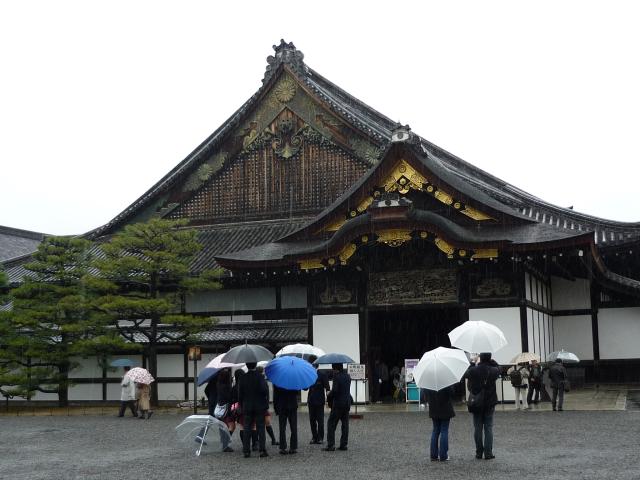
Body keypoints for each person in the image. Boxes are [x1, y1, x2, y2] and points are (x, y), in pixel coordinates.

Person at [463, 352, 500, 460]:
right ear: (489, 359)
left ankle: (479, 452)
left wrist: (472, 363)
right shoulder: (493, 370)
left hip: (477, 402)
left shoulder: (474, 370)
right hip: (489, 402)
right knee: (488, 427)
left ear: (480, 358)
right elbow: (499, 368)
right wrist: (492, 362)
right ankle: (488, 453)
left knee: (477, 428)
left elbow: (465, 374)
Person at [238, 362, 269, 458]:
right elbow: (264, 390)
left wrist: (241, 404)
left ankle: (246, 451)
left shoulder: (243, 377)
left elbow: (240, 393)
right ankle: (262, 450)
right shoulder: (260, 377)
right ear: (255, 365)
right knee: (260, 427)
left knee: (247, 427)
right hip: (259, 406)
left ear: (247, 366)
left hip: (247, 406)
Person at [323, 363, 351, 452]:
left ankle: (331, 445)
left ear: (335, 369)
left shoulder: (337, 377)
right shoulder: (347, 376)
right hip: (346, 403)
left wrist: (329, 394)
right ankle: (344, 444)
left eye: (333, 369)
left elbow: (335, 390)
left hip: (338, 404)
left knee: (331, 423)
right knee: (345, 424)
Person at [426, 386, 455, 461]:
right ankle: (443, 455)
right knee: (444, 431)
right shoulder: (446, 381)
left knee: (435, 431)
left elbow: (425, 394)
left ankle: (433, 455)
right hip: (445, 408)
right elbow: (452, 393)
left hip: (433, 408)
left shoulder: (429, 381)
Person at [273, 384, 299, 454]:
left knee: (282, 428)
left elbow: (275, 395)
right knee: (293, 427)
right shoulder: (293, 380)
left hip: (282, 406)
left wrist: (276, 408)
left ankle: (283, 447)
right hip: (292, 405)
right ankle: (293, 447)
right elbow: (296, 392)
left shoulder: (278, 381)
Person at [307, 364, 330, 444]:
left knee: (320, 420)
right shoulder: (309, 374)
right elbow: (306, 388)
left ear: (315, 366)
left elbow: (327, 387)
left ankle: (320, 437)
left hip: (320, 400)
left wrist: (328, 400)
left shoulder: (322, 374)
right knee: (312, 420)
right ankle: (314, 437)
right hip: (311, 400)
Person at [215, 368, 235, 452]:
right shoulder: (227, 387)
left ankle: (224, 441)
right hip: (226, 408)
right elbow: (229, 397)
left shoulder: (218, 384)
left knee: (221, 426)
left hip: (220, 406)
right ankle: (225, 445)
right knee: (226, 426)